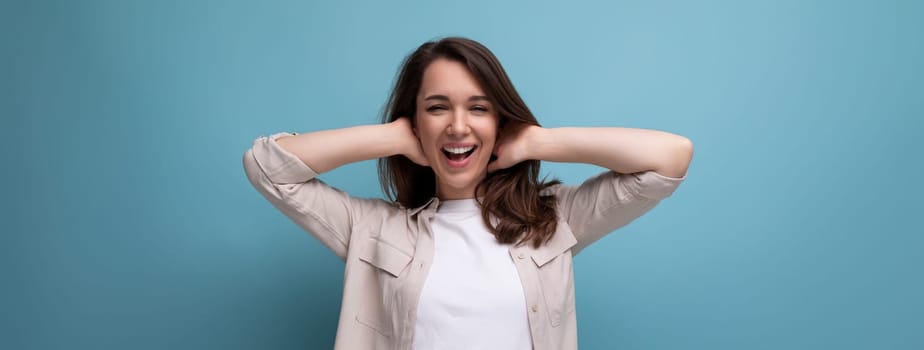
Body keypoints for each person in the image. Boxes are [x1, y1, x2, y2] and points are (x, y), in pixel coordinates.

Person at [242, 37, 692, 350]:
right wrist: (394, 137)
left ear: (501, 122)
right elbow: (267, 167)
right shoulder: (371, 229)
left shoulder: (554, 220)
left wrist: (538, 141)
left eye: (479, 108)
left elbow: (671, 157)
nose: (458, 126)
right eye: (437, 108)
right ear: (415, 122)